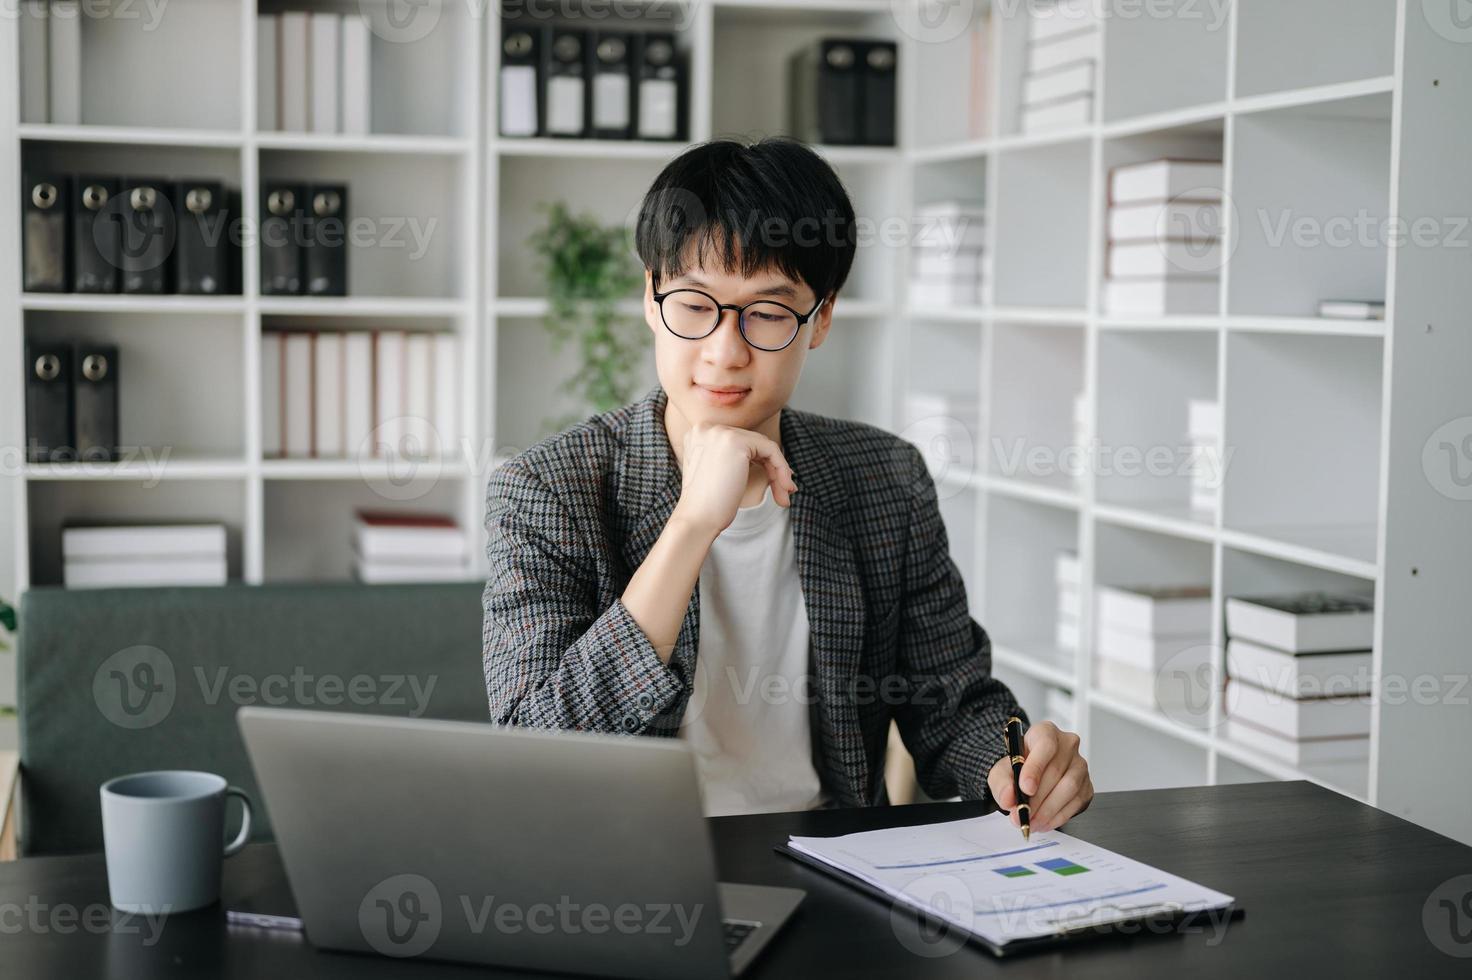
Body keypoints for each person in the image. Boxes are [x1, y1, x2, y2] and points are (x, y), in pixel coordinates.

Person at [482, 137, 1092, 831]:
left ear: (821, 318)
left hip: (834, 865)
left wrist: (1013, 765)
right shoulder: (547, 489)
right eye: (693, 305)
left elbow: (948, 703)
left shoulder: (884, 480)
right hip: (625, 875)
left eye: (768, 314)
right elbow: (536, 747)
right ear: (650, 298)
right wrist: (689, 527)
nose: (725, 351)